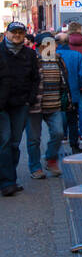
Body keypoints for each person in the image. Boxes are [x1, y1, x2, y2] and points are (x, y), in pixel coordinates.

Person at [0, 21, 41, 197]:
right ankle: (7, 182)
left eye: (20, 32)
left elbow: (35, 78)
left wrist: (29, 100)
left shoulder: (29, 55)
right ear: (6, 34)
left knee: (15, 144)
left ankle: (10, 178)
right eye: (13, 32)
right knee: (4, 141)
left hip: (20, 104)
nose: (17, 35)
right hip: (1, 106)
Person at [25, 32, 69, 179]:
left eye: (53, 43)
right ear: (39, 46)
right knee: (34, 139)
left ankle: (51, 159)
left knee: (59, 133)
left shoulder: (58, 59)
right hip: (35, 106)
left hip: (54, 104)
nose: (52, 46)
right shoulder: (32, 60)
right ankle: (35, 167)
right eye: (48, 43)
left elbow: (64, 79)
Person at [56, 33, 82, 154]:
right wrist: (77, 85)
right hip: (73, 93)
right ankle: (74, 146)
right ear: (68, 42)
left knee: (57, 119)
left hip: (55, 95)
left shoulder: (53, 56)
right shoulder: (76, 55)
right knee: (73, 121)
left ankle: (59, 144)